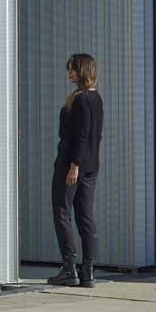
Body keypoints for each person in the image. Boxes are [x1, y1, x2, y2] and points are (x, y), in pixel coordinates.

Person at [48, 52, 104, 288]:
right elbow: (94, 136)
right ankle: (88, 272)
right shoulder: (95, 98)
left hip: (73, 164)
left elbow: (81, 136)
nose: (69, 73)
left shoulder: (80, 100)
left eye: (72, 69)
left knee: (62, 213)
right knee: (85, 215)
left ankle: (69, 268)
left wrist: (74, 166)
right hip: (91, 165)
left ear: (83, 71)